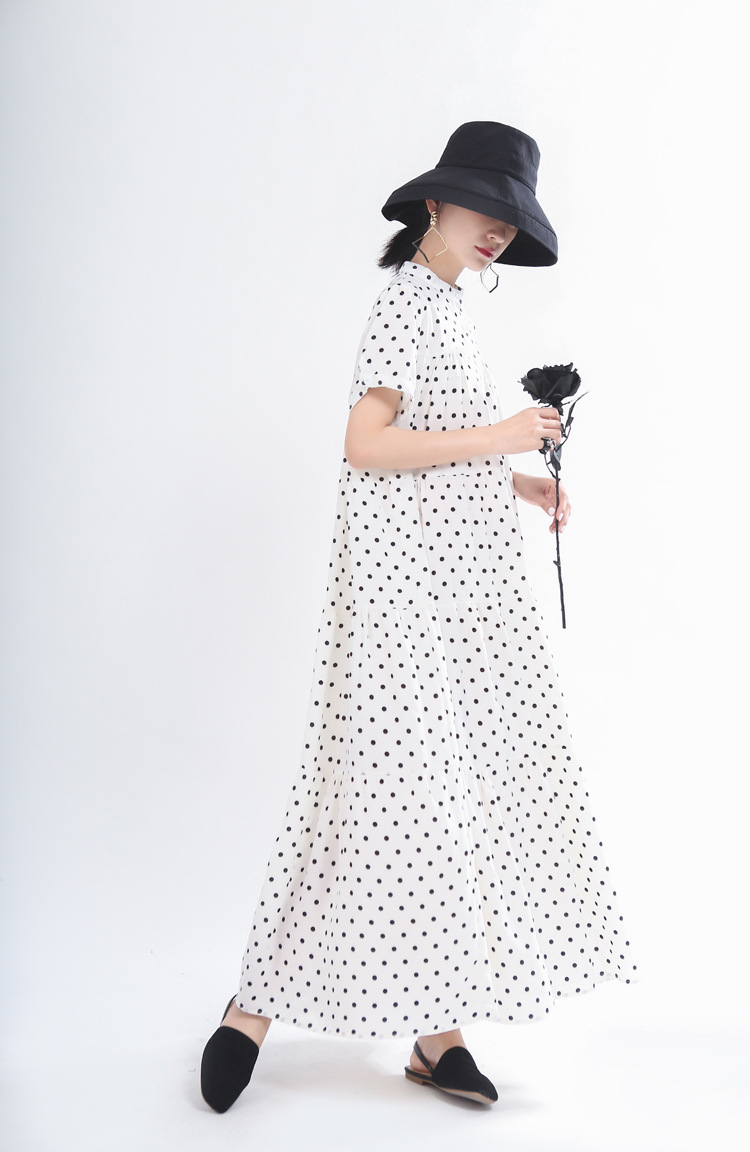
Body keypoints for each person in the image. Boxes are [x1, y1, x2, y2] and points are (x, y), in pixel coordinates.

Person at [200, 120, 637, 1113]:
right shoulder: (405, 303)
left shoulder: (447, 305)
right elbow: (364, 445)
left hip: (449, 595)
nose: (498, 231)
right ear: (435, 203)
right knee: (374, 793)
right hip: (401, 598)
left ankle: (435, 1035)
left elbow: (432, 444)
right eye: (486, 208)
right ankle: (253, 1005)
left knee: (437, 803)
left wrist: (518, 480)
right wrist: (504, 434)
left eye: (510, 219)